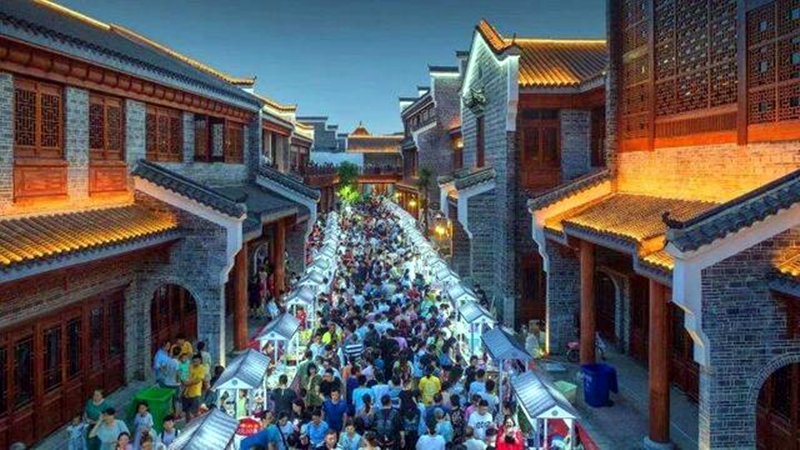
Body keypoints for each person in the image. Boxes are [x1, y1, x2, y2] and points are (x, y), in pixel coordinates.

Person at [183, 353, 208, 421]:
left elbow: (198, 380)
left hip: (196, 393)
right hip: (186, 393)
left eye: (197, 361)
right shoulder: (190, 367)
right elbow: (184, 376)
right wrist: (184, 382)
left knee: (195, 412)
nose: (195, 362)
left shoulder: (202, 368)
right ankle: (188, 424)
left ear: (200, 361)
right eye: (194, 361)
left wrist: (188, 383)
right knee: (187, 412)